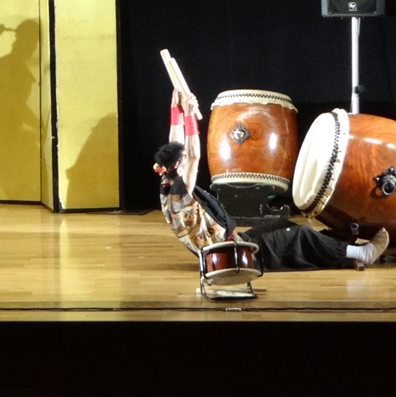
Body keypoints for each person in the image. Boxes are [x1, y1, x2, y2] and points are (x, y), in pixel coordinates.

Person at [156, 88, 388, 271]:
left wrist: (175, 110)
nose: (184, 160)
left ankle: (342, 246)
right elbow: (194, 154)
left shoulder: (168, 181)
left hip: (231, 240)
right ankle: (360, 254)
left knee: (284, 225)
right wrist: (189, 114)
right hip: (232, 254)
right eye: (182, 161)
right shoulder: (180, 193)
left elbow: (175, 147)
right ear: (179, 167)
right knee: (300, 235)